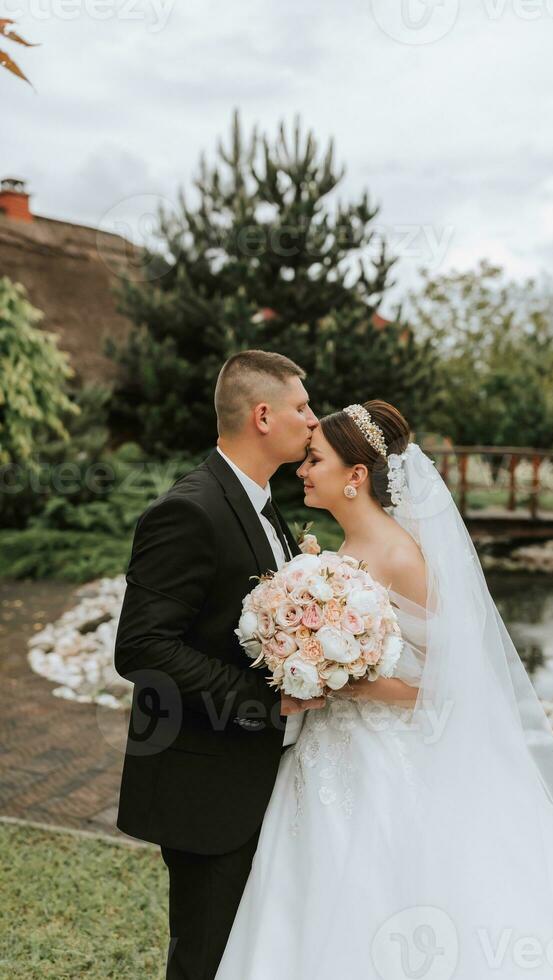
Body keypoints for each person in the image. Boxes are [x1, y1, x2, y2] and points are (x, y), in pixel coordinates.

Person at [214, 399, 553, 980]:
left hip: (384, 757)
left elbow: (445, 689)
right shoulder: (340, 554)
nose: (302, 469)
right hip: (329, 752)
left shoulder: (401, 557)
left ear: (356, 476)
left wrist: (346, 682)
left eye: (314, 459)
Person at [113, 350, 325, 980]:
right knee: (205, 960)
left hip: (259, 776)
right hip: (206, 785)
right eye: (302, 407)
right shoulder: (191, 510)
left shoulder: (260, 504)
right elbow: (143, 648)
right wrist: (267, 705)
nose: (313, 421)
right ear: (263, 416)